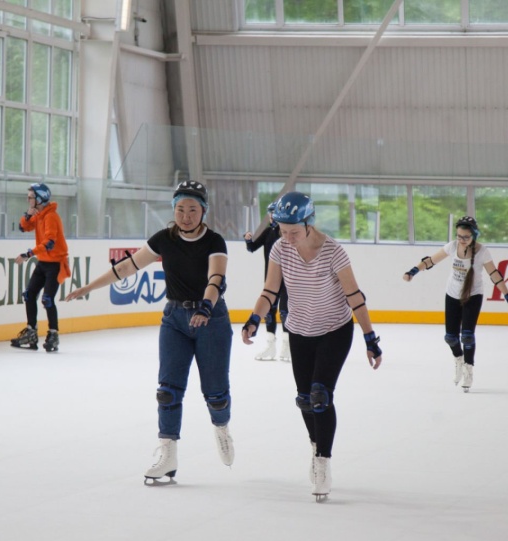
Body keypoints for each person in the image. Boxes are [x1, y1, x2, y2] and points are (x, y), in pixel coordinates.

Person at [65, 180, 234, 485]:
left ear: (203, 211)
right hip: (174, 320)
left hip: (211, 320)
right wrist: (88, 287)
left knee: (216, 395)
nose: (185, 216)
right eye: (180, 209)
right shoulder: (163, 239)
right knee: (167, 391)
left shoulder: (214, 241)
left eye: (192, 210)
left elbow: (216, 279)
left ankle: (221, 428)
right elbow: (126, 267)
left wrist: (206, 308)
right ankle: (168, 454)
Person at [241, 191, 382, 502]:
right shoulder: (280, 248)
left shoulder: (333, 252)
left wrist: (370, 338)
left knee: (320, 396)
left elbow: (355, 297)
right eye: (282, 230)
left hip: (334, 331)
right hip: (299, 332)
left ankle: (323, 461)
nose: (287, 238)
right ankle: (316, 444)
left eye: (293, 231)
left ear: (309, 223)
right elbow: (270, 290)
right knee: (305, 400)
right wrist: (254, 318)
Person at [402, 215, 508, 392]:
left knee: (467, 336)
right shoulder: (452, 246)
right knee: (450, 337)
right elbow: (431, 260)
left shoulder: (482, 252)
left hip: (473, 296)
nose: (462, 240)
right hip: (452, 294)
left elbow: (494, 274)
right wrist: (412, 271)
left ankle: (468, 369)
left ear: (474, 235)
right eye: (459, 236)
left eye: (466, 237)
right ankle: (459, 359)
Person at [10, 183, 71, 353]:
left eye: (30, 197)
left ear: (39, 199)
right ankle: (31, 331)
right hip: (43, 263)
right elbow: (23, 227)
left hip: (55, 264)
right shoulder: (39, 215)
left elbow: (49, 243)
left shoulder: (51, 217)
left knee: (47, 299)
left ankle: (53, 334)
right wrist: (28, 214)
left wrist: (28, 254)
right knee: (29, 295)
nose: (28, 200)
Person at [243, 201, 290, 361]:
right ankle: (270, 345)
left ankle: (287, 345)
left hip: (287, 280)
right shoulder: (268, 232)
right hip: (270, 279)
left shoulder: (287, 234)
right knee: (269, 312)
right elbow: (252, 248)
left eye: (273, 213)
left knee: (285, 311)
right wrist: (248, 240)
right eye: (270, 213)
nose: (271, 216)